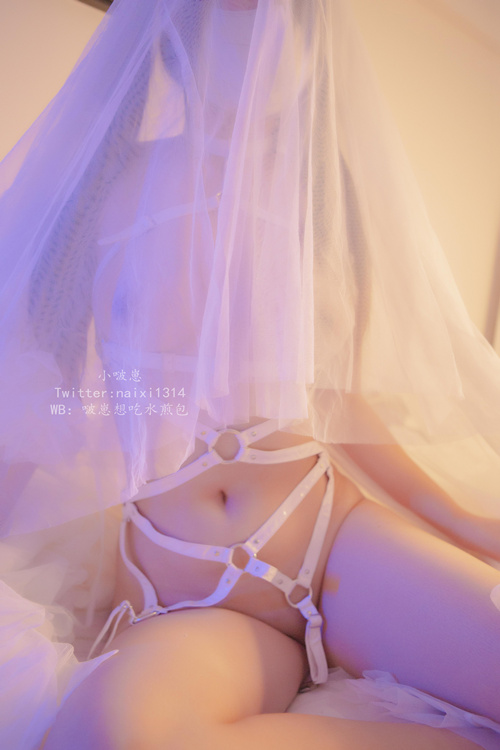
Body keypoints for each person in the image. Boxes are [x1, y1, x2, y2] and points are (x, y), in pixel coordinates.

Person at [0, 1, 499, 748]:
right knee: (121, 735)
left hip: (331, 539)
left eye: (283, 17)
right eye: (232, 13)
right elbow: (44, 386)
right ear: (175, 32)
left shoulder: (320, 197)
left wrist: (469, 522)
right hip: (185, 587)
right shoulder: (102, 185)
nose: (259, 34)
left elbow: (338, 400)